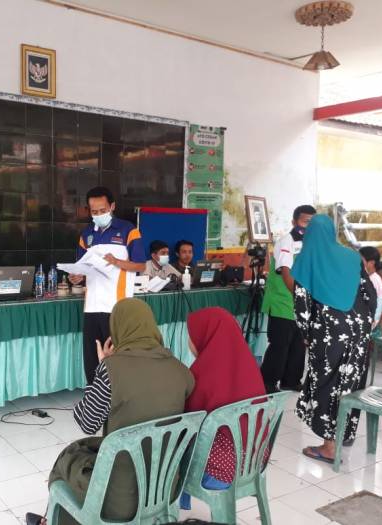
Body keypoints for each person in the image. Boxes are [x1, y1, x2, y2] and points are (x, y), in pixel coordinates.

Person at [26, 298, 195, 525]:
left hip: (117, 497)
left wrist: (101, 368)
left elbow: (87, 422)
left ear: (118, 328)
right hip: (165, 490)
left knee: (67, 461)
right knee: (85, 449)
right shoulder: (181, 370)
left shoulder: (111, 369)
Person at [292, 215, 376, 463]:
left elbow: (301, 306)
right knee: (351, 382)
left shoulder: (306, 259)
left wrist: (306, 334)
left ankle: (330, 447)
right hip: (359, 328)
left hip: (329, 331)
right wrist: (365, 323)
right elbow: (370, 294)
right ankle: (345, 434)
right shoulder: (352, 256)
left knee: (328, 383)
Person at [179, 307, 266, 509]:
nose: (189, 341)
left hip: (220, 474)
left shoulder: (202, 373)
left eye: (192, 335)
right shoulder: (249, 365)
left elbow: (187, 421)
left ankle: (175, 507)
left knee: (171, 449)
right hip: (254, 463)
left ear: (205, 336)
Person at [69, 187, 146, 384]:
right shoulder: (86, 234)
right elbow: (82, 267)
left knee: (117, 356)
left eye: (102, 210)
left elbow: (140, 265)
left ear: (112, 206)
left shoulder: (128, 230)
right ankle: (94, 393)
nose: (98, 215)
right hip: (92, 306)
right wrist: (77, 276)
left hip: (118, 306)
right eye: (94, 212)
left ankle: (119, 396)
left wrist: (117, 262)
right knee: (92, 358)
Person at [260, 204, 316, 393]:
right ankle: (267, 382)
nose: (309, 227)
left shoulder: (311, 245)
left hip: (301, 303)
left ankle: (291, 381)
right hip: (282, 301)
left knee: (299, 345)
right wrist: (301, 298)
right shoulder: (287, 242)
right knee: (280, 345)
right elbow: (286, 273)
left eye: (313, 223)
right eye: (305, 222)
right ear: (294, 222)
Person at [359, 246, 382, 329]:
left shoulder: (373, 279)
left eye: (360, 260)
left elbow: (372, 306)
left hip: (368, 322)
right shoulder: (368, 277)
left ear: (371, 263)